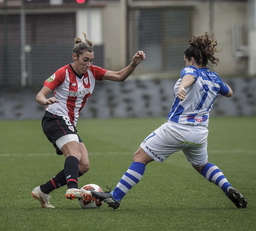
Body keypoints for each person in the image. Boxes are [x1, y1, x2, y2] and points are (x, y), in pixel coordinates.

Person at [92, 32, 248, 209]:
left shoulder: (190, 70)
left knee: (139, 157)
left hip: (177, 128)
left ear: (191, 59)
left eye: (185, 61)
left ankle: (115, 197)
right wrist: (212, 84)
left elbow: (189, 75)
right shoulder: (214, 77)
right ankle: (228, 188)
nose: (185, 64)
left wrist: (183, 86)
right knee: (202, 165)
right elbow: (229, 92)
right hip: (199, 133)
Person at [31, 33, 146, 208]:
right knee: (74, 155)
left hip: (69, 123)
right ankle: (72, 188)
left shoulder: (92, 72)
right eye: (85, 60)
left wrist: (133, 64)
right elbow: (40, 94)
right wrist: (45, 101)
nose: (88, 64)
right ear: (74, 57)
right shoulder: (62, 73)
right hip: (54, 117)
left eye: (91, 60)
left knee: (83, 165)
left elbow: (120, 76)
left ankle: (43, 191)